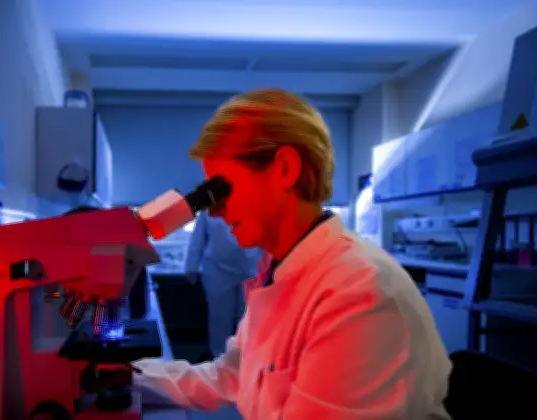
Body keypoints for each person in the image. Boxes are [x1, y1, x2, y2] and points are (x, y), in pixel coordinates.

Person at [132, 89, 452, 419]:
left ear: (285, 169)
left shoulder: (358, 293)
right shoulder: (279, 269)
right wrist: (131, 377)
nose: (215, 211)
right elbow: (234, 373)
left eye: (222, 189)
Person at [185, 211, 262, 358]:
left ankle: (246, 358)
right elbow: (199, 236)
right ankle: (219, 357)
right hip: (217, 270)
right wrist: (191, 266)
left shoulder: (259, 202)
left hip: (251, 269)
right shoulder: (210, 205)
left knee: (247, 319)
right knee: (219, 318)